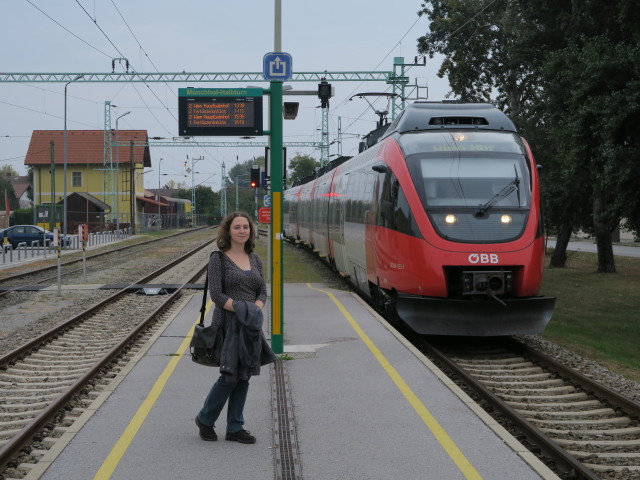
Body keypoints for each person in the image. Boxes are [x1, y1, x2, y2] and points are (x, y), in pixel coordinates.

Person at [195, 211, 276, 444]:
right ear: (228, 231)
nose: (242, 231)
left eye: (246, 227)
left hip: (250, 325)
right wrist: (242, 309)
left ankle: (235, 428)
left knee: (244, 376)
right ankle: (205, 418)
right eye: (237, 227)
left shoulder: (255, 259)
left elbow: (262, 291)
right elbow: (217, 295)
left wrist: (256, 308)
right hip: (228, 324)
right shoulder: (218, 259)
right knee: (230, 375)